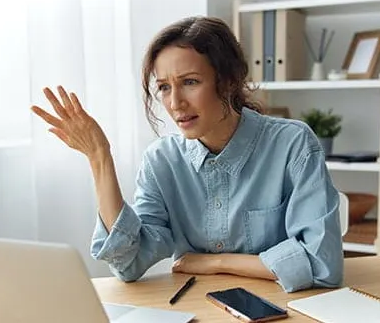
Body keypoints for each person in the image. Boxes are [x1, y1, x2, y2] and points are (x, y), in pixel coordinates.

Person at [31, 16, 343, 293]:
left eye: (190, 82)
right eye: (164, 87)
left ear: (230, 80)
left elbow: (321, 265)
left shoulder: (292, 143)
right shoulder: (162, 160)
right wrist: (100, 157)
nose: (175, 102)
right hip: (198, 309)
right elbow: (127, 264)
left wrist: (215, 262)